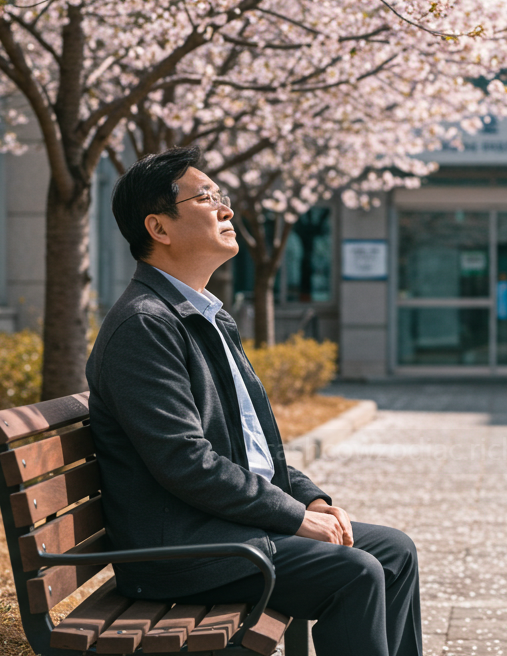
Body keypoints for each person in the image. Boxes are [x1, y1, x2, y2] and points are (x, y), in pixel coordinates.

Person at [86, 147, 421, 656]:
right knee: (352, 571)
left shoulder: (206, 316)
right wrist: (292, 517)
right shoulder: (146, 325)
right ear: (159, 227)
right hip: (183, 550)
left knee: (394, 551)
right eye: (206, 197)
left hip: (227, 530)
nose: (227, 210)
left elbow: (254, 443)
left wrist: (310, 498)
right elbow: (186, 461)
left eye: (221, 196)